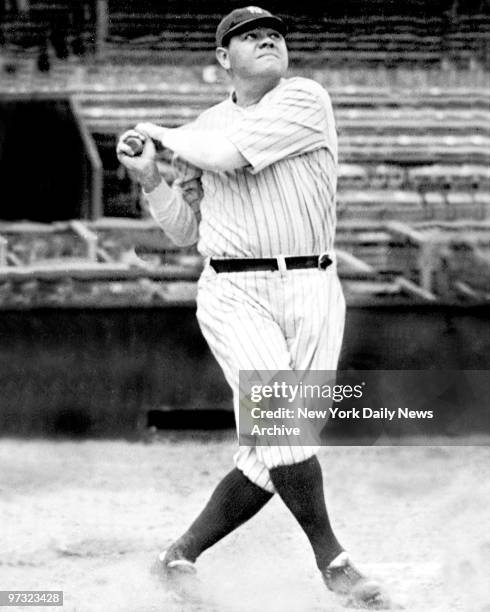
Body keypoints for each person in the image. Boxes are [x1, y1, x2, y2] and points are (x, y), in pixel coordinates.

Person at [117, 6, 390, 609]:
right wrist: (151, 180)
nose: (267, 38)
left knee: (271, 453)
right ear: (223, 60)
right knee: (283, 425)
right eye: (248, 35)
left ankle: (178, 555)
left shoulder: (304, 100)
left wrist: (159, 135)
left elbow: (225, 154)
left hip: (315, 286)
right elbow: (187, 231)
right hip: (234, 291)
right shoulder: (198, 130)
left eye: (274, 33)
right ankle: (334, 561)